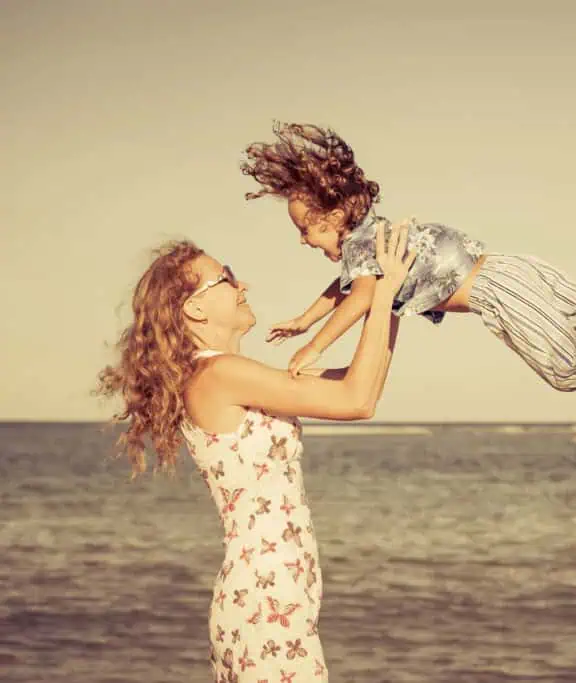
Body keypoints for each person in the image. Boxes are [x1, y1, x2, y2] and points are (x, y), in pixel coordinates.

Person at [96, 222, 415, 682]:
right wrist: (385, 292)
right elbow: (356, 401)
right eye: (226, 277)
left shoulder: (228, 375)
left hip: (273, 595)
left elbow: (362, 383)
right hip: (265, 602)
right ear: (195, 307)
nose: (242, 284)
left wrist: (397, 296)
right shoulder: (219, 375)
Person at [241, 122, 576, 392]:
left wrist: (315, 346)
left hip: (496, 291)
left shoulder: (365, 247)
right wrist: (305, 318)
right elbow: (346, 289)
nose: (304, 241)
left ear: (338, 214)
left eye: (308, 230)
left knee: (565, 370)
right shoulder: (371, 240)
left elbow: (360, 297)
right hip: (510, 267)